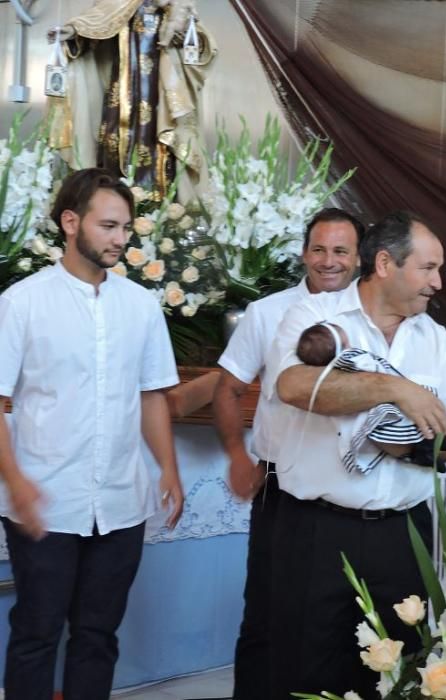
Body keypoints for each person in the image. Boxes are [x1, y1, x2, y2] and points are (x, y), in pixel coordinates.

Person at [266, 210, 446, 699]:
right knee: (305, 671)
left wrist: (415, 445)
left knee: (397, 675)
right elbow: (293, 385)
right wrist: (394, 389)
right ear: (385, 263)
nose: (437, 283)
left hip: (403, 535)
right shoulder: (316, 317)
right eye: (428, 268)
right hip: (319, 531)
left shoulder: (435, 338)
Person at [0, 168, 183, 699]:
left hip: (123, 501)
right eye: (108, 226)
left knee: (98, 635)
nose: (120, 240)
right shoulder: (21, 303)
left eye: (126, 228)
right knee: (36, 633)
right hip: (47, 499)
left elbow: (150, 394)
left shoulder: (141, 305)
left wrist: (168, 467)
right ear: (70, 222)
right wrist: (16, 482)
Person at [212, 208, 364, 700]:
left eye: (340, 251)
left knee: (339, 618)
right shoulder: (267, 313)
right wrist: (238, 454)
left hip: (349, 488)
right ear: (303, 253)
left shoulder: (373, 318)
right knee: (266, 613)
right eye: (319, 249)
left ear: (360, 258)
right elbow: (226, 389)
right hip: (278, 486)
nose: (328, 261)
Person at [48, 0, 216, 201]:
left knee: (158, 144)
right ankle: (111, 202)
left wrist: (185, 32)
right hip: (120, 95)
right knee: (116, 142)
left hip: (160, 95)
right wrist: (72, 33)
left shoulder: (174, 5)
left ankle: (157, 204)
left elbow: (200, 46)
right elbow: (95, 25)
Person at [296, 321, 446, 471]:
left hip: (373, 409)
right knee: (393, 430)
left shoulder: (327, 373)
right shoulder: (349, 359)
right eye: (346, 343)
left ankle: (425, 446)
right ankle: (421, 450)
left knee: (391, 432)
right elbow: (369, 367)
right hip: (377, 410)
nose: (350, 346)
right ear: (341, 348)